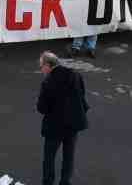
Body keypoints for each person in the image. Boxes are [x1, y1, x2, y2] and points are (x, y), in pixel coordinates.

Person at [37, 51, 89, 185]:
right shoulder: (75, 75)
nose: (41, 69)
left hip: (55, 126)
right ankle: (65, 182)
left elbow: (42, 108)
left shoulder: (48, 82)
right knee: (69, 155)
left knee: (49, 157)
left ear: (48, 65)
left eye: (41, 66)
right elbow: (82, 95)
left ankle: (48, 182)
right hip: (73, 124)